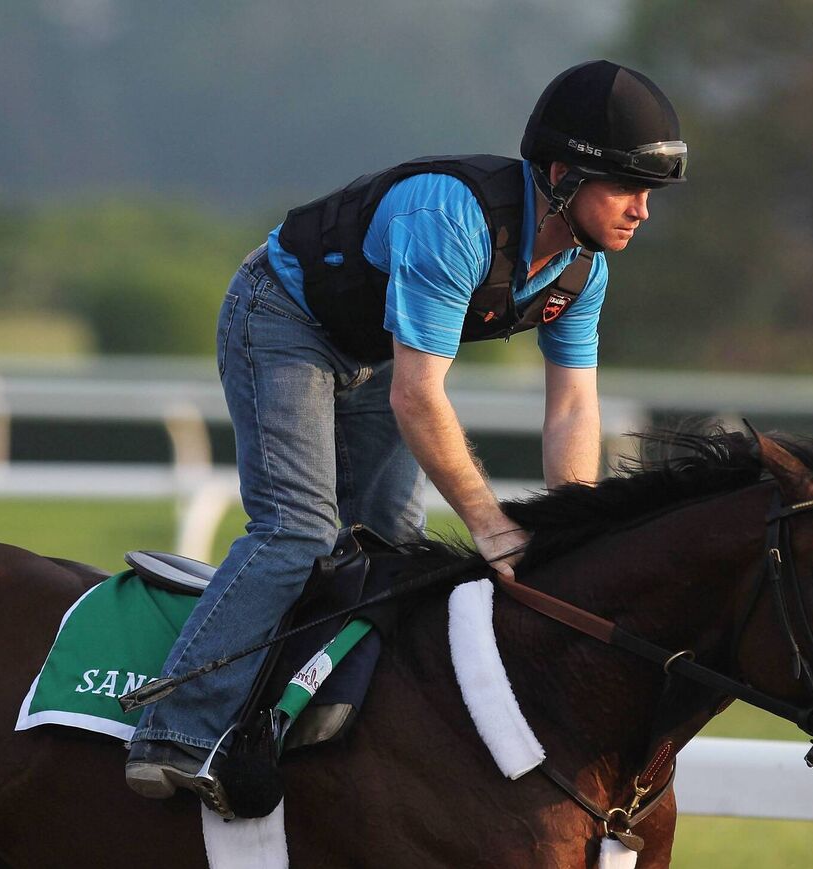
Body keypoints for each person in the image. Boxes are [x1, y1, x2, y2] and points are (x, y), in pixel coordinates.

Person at [125, 59, 687, 816]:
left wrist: (570, 532)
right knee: (299, 530)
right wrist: (490, 525)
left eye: (648, 192)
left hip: (370, 348)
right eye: (625, 186)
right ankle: (176, 728)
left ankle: (328, 725)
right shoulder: (454, 219)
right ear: (560, 174)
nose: (642, 212)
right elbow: (419, 396)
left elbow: (572, 412)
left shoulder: (583, 270)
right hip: (282, 319)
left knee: (390, 546)